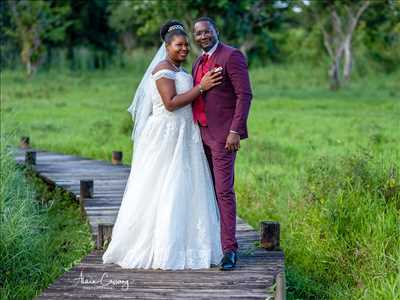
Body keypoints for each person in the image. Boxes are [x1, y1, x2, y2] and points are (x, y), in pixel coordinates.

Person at [102, 20, 224, 270]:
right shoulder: (162, 70)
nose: (184, 49)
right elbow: (170, 103)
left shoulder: (180, 70)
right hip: (165, 135)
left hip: (185, 133)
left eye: (186, 45)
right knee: (164, 186)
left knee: (187, 186)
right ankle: (161, 247)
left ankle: (191, 246)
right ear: (167, 46)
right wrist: (201, 87)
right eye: (178, 45)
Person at [191, 17, 253, 270]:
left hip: (223, 136)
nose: (203, 36)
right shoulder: (197, 62)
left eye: (207, 31)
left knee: (223, 191)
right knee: (206, 191)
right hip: (200, 135)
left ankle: (229, 250)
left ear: (216, 31)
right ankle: (211, 244)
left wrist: (235, 130)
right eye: (198, 33)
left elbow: (244, 94)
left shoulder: (231, 56)